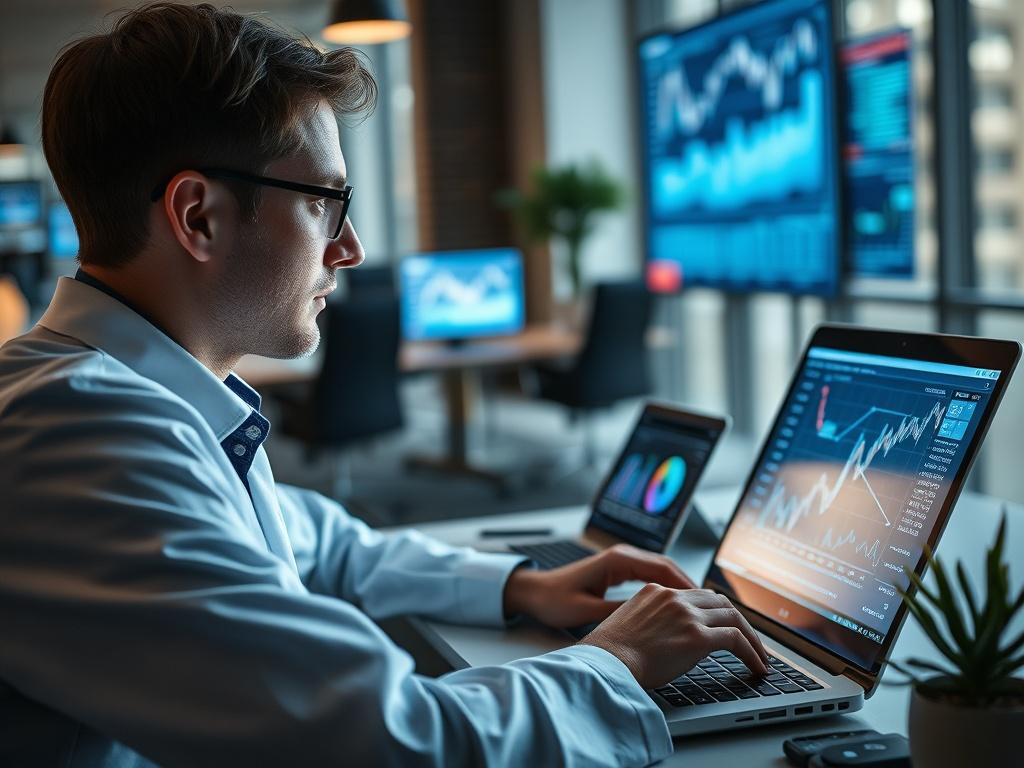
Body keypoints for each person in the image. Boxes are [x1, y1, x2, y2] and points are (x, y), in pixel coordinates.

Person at [0, 4, 769, 766]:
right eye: (325, 202)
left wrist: (520, 585)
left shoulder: (141, 400)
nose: (352, 248)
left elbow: (320, 541)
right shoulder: (81, 436)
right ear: (198, 216)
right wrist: (620, 661)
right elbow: (389, 744)